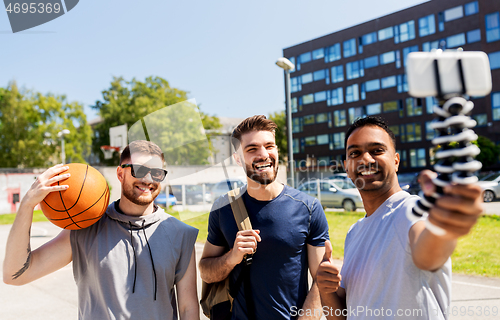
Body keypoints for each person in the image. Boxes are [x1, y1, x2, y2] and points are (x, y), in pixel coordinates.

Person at [3, 140, 199, 320]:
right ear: (120, 174)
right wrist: (27, 204)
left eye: (156, 173)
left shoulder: (180, 234)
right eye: (139, 170)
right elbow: (15, 274)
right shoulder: (86, 226)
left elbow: (188, 308)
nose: (148, 179)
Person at [316, 116, 483, 319]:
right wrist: (325, 289)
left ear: (396, 161)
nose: (366, 159)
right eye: (355, 153)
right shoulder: (354, 232)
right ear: (347, 167)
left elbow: (427, 251)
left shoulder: (411, 209)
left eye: (377, 150)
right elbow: (341, 316)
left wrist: (444, 229)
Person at [199, 115, 330, 319]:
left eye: (269, 146)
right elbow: (205, 272)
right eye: (252, 149)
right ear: (237, 158)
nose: (263, 155)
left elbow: (320, 282)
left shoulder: (308, 208)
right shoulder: (223, 208)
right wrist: (232, 257)